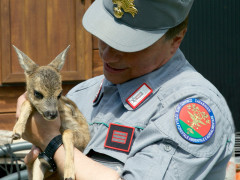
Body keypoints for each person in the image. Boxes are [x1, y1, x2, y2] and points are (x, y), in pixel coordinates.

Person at [16, 0, 235, 179]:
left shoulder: (191, 109)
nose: (108, 54)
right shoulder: (81, 95)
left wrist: (52, 142)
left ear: (175, 40)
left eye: (128, 45)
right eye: (105, 35)